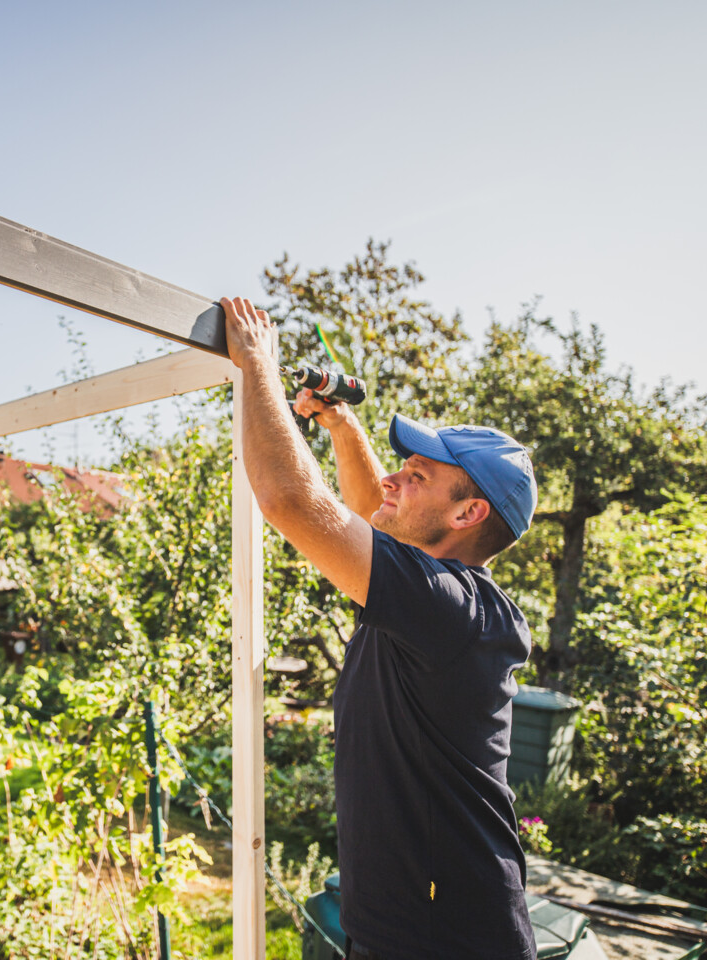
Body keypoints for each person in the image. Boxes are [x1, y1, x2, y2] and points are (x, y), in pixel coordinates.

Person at [221, 296, 539, 960]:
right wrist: (339, 423)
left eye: (418, 475)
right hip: (414, 929)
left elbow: (290, 500)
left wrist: (258, 363)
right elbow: (372, 508)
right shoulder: (436, 596)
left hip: (445, 942)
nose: (396, 479)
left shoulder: (450, 606)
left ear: (468, 512)